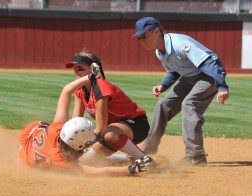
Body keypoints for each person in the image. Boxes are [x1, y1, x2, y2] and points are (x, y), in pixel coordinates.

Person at [18, 66, 153, 176]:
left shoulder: (54, 129)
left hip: (29, 152)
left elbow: (66, 91)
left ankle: (124, 159)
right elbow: (98, 171)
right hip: (48, 152)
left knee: (87, 159)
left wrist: (89, 77)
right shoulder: (61, 158)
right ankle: (125, 159)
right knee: (88, 161)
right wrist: (131, 170)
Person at [131, 17, 229, 165]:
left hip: (210, 74)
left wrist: (222, 87)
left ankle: (196, 156)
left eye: (144, 36)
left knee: (189, 104)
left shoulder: (179, 44)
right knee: (163, 105)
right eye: (139, 38)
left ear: (157, 31)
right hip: (190, 77)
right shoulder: (160, 52)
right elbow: (174, 72)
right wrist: (163, 85)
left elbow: (208, 63)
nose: (142, 41)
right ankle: (147, 152)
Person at [64, 51, 152, 165]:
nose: (76, 72)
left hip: (137, 124)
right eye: (74, 68)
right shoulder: (80, 90)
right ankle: (127, 159)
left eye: (80, 68)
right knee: (86, 162)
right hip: (113, 129)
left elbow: (100, 129)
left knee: (108, 135)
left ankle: (146, 160)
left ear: (92, 70)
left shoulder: (100, 88)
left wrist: (86, 143)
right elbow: (75, 123)